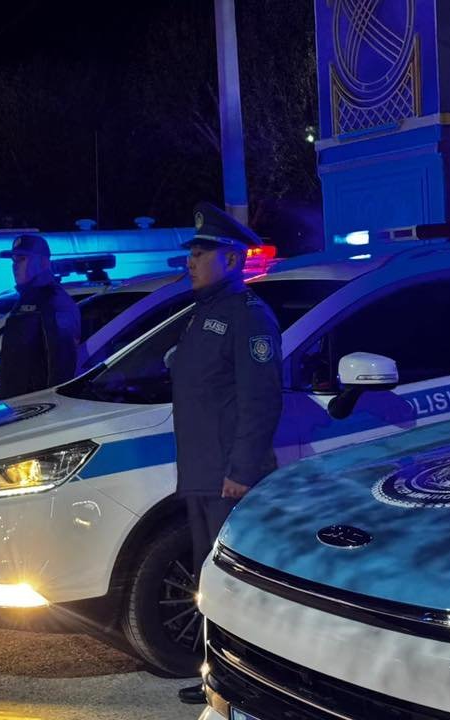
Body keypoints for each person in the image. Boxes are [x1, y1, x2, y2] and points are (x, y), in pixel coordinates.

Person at [169, 202, 283, 705]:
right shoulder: (203, 313)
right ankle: (215, 674)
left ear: (232, 260)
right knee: (209, 582)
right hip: (201, 474)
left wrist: (241, 470)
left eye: (201, 253)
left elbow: (260, 399)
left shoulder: (248, 316)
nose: (190, 261)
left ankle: (244, 682)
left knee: (234, 587)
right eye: (191, 252)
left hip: (226, 480)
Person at [0, 234, 81, 399]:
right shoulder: (27, 298)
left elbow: (62, 363)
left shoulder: (54, 300)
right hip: (18, 403)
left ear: (43, 263)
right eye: (13, 260)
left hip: (35, 405)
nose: (15, 266)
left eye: (22, 259)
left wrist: (51, 404)